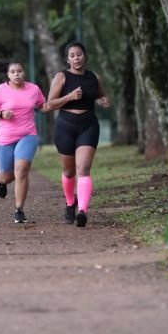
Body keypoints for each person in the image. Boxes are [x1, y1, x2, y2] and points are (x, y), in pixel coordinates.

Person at [45, 41, 112, 227]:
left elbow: (99, 96)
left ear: (85, 56)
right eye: (72, 55)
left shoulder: (94, 77)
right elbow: (49, 104)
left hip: (88, 125)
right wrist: (69, 97)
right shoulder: (61, 77)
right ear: (67, 59)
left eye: (79, 54)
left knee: (83, 169)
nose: (76, 58)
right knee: (69, 171)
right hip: (65, 126)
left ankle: (82, 210)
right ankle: (69, 203)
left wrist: (102, 101)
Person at [0, 59, 47, 223]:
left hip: (28, 134)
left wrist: (61, 102)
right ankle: (1, 180)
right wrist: (1, 113)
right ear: (7, 74)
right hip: (5, 138)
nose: (16, 74)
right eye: (13, 72)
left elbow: (42, 105)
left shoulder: (34, 89)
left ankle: (19, 210)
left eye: (19, 71)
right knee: (7, 174)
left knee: (21, 171)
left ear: (24, 72)